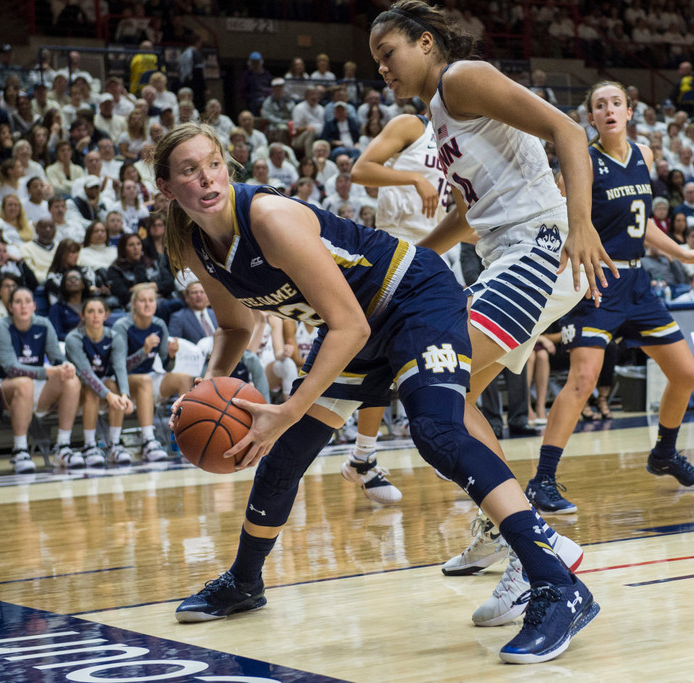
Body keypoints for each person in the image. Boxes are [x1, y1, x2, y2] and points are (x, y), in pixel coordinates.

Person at [153, 121, 596, 664]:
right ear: (167, 187)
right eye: (189, 171)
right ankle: (245, 582)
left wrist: (289, 409)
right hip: (359, 320)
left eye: (213, 164)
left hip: (413, 298)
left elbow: (349, 329)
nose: (206, 178)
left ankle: (558, 585)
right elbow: (235, 329)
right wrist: (204, 389)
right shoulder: (196, 245)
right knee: (284, 456)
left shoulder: (267, 218)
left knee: (437, 430)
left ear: (228, 166)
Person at [371, 2, 611, 635]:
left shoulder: (463, 79)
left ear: (425, 43)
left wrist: (580, 222)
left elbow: (570, 132)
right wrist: (410, 262)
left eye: (389, 55)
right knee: (448, 395)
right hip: (503, 249)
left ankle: (531, 546)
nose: (383, 71)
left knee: (436, 385)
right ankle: (504, 527)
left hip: (541, 242)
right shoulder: (437, 116)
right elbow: (475, 216)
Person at [528, 81, 694, 516]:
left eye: (616, 103)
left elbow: (642, 222)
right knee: (582, 380)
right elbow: (558, 223)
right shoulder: (582, 163)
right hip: (596, 281)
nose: (609, 110)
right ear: (590, 117)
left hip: (636, 283)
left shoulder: (644, 156)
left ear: (630, 111)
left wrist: (682, 252)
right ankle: (542, 481)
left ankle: (664, 454)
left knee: (686, 373)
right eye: (600, 105)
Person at [338, 111, 450, 504]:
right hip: (395, 251)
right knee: (381, 363)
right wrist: (414, 177)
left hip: (437, 255)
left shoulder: (463, 140)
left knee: (451, 351)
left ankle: (365, 457)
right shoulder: (412, 125)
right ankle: (364, 456)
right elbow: (361, 170)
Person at [0, 286, 82, 473]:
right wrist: (48, 372)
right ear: (10, 307)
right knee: (24, 382)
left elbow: (56, 357)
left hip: (32, 387)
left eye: (27, 301)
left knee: (71, 381)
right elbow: (11, 368)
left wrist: (66, 366)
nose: (23, 306)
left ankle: (63, 447)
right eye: (18, 302)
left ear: (34, 306)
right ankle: (20, 450)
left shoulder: (43, 324)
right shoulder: (1, 328)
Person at [112, 283, 192, 462]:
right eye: (142, 301)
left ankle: (185, 437)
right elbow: (119, 366)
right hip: (123, 381)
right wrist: (144, 352)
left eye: (151, 301)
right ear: (134, 305)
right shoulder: (122, 326)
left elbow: (166, 367)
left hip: (148, 377)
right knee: (145, 380)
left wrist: (171, 356)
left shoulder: (159, 324)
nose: (147, 305)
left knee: (184, 379)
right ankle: (149, 441)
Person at [65, 298, 135, 466]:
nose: (95, 316)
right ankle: (89, 445)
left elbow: (120, 368)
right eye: (90, 311)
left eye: (99, 311)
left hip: (103, 385)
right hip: (77, 388)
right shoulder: (73, 338)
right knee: (92, 391)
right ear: (83, 315)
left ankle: (114, 445)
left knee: (115, 387)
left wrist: (125, 395)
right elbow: (87, 374)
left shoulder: (114, 337)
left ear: (106, 316)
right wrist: (108, 396)